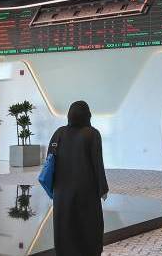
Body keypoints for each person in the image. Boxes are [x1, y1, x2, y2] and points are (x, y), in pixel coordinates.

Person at [49, 101, 110, 256]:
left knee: (65, 226)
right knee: (88, 226)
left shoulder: (59, 133)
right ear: (87, 115)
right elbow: (97, 163)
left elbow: (50, 161)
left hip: (62, 193)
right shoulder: (92, 134)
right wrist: (103, 188)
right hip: (86, 191)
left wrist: (53, 187)